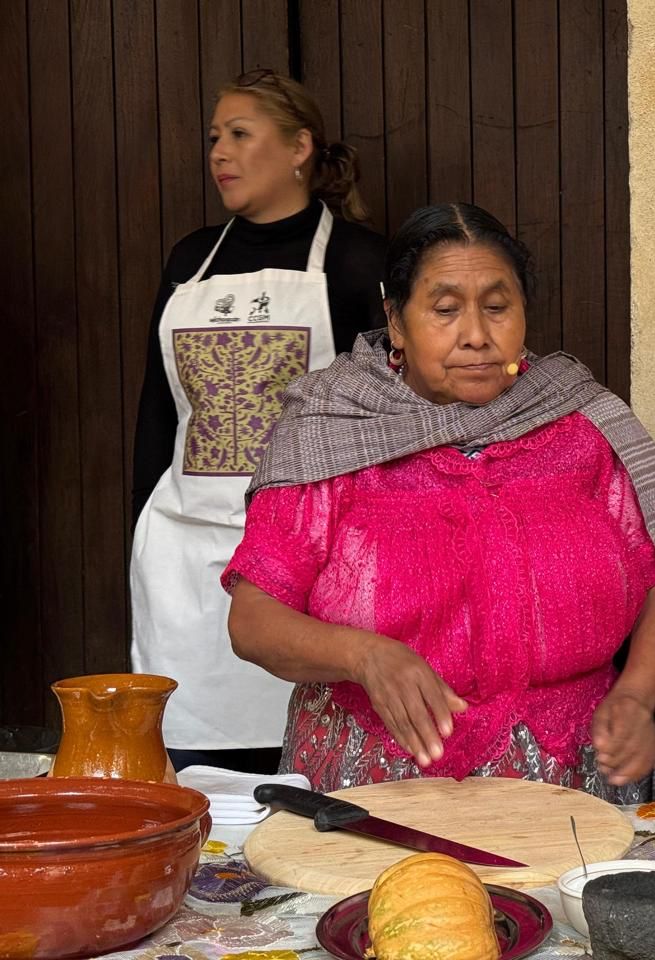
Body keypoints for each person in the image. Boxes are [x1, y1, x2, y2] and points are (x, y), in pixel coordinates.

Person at [220, 202, 655, 802]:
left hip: (569, 782)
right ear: (396, 322)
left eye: (498, 307)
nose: (477, 335)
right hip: (374, 791)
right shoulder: (331, 432)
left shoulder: (582, 425)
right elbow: (252, 621)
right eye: (446, 309)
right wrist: (363, 656)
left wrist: (635, 694)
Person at [130, 69, 386, 775]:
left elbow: (392, 420)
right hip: (184, 563)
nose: (219, 152)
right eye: (215, 138)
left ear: (300, 146)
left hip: (302, 568)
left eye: (240, 135)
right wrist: (141, 526)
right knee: (192, 773)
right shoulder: (191, 260)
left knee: (304, 776)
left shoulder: (357, 261)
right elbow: (159, 409)